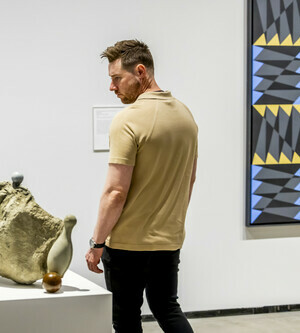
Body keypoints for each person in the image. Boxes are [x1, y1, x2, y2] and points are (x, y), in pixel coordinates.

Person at [85, 39, 198, 333]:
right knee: (167, 307)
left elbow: (115, 192)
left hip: (126, 245)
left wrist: (97, 244)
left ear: (140, 72)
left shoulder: (127, 120)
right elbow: (190, 179)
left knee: (125, 319)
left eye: (116, 78)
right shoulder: (186, 117)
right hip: (169, 240)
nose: (112, 87)